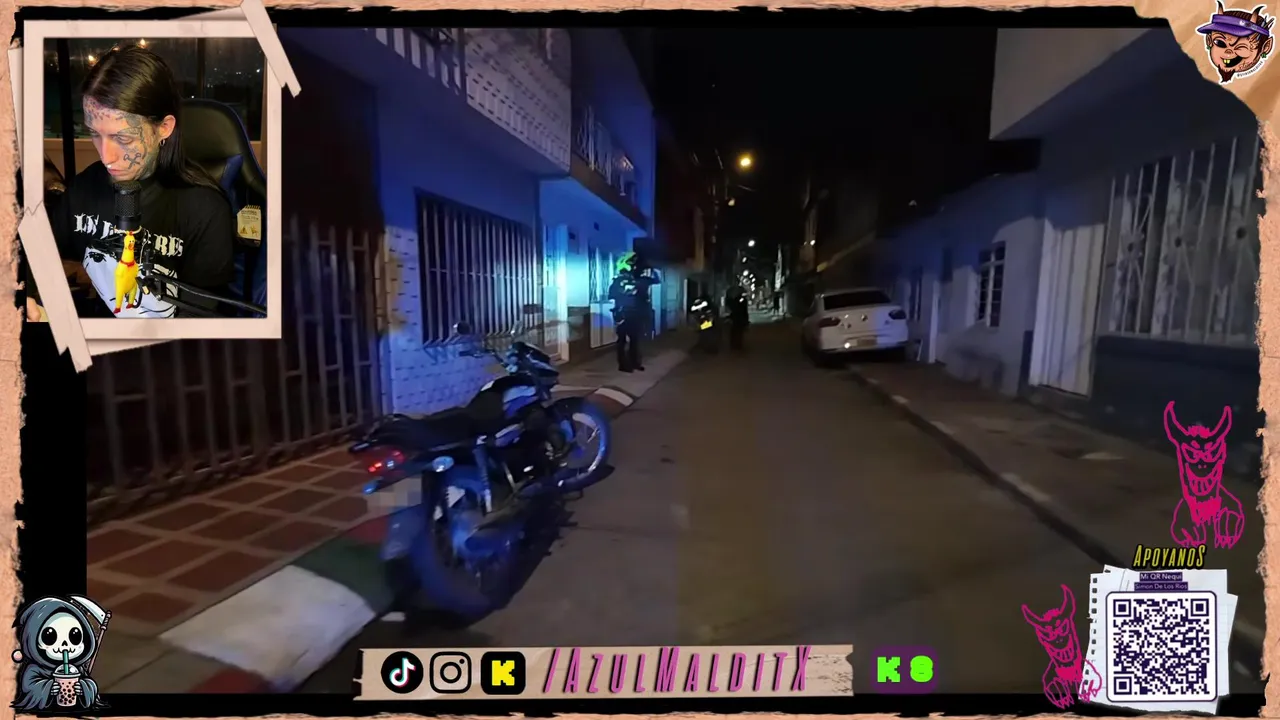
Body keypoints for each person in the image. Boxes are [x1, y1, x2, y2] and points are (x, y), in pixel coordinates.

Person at [39, 44, 235, 318]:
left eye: (123, 138)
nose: (106, 157)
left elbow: (201, 318)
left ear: (164, 128)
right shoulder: (83, 188)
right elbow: (45, 263)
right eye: (94, 134)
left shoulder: (205, 211)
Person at [608, 251, 655, 372]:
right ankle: (623, 365)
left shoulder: (638, 280)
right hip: (623, 315)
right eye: (631, 264)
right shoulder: (617, 281)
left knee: (635, 340)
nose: (634, 267)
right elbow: (611, 296)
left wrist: (648, 268)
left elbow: (654, 281)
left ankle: (634, 363)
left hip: (635, 315)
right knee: (622, 341)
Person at [725, 282, 749, 351]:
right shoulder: (736, 299)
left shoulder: (738, 299)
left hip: (737, 317)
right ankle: (736, 345)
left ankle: (736, 345)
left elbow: (744, 309)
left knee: (736, 331)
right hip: (736, 317)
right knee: (736, 331)